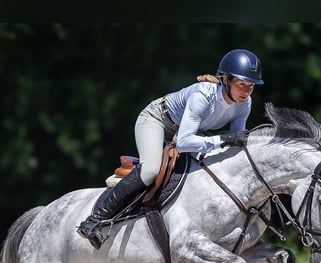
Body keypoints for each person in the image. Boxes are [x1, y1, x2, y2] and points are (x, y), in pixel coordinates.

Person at [77, 48, 264, 249]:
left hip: (191, 132)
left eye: (251, 87)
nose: (246, 92)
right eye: (242, 85)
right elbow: (184, 143)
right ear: (225, 80)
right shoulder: (203, 95)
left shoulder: (245, 104)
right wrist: (224, 138)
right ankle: (94, 220)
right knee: (151, 170)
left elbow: (234, 144)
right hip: (157, 120)